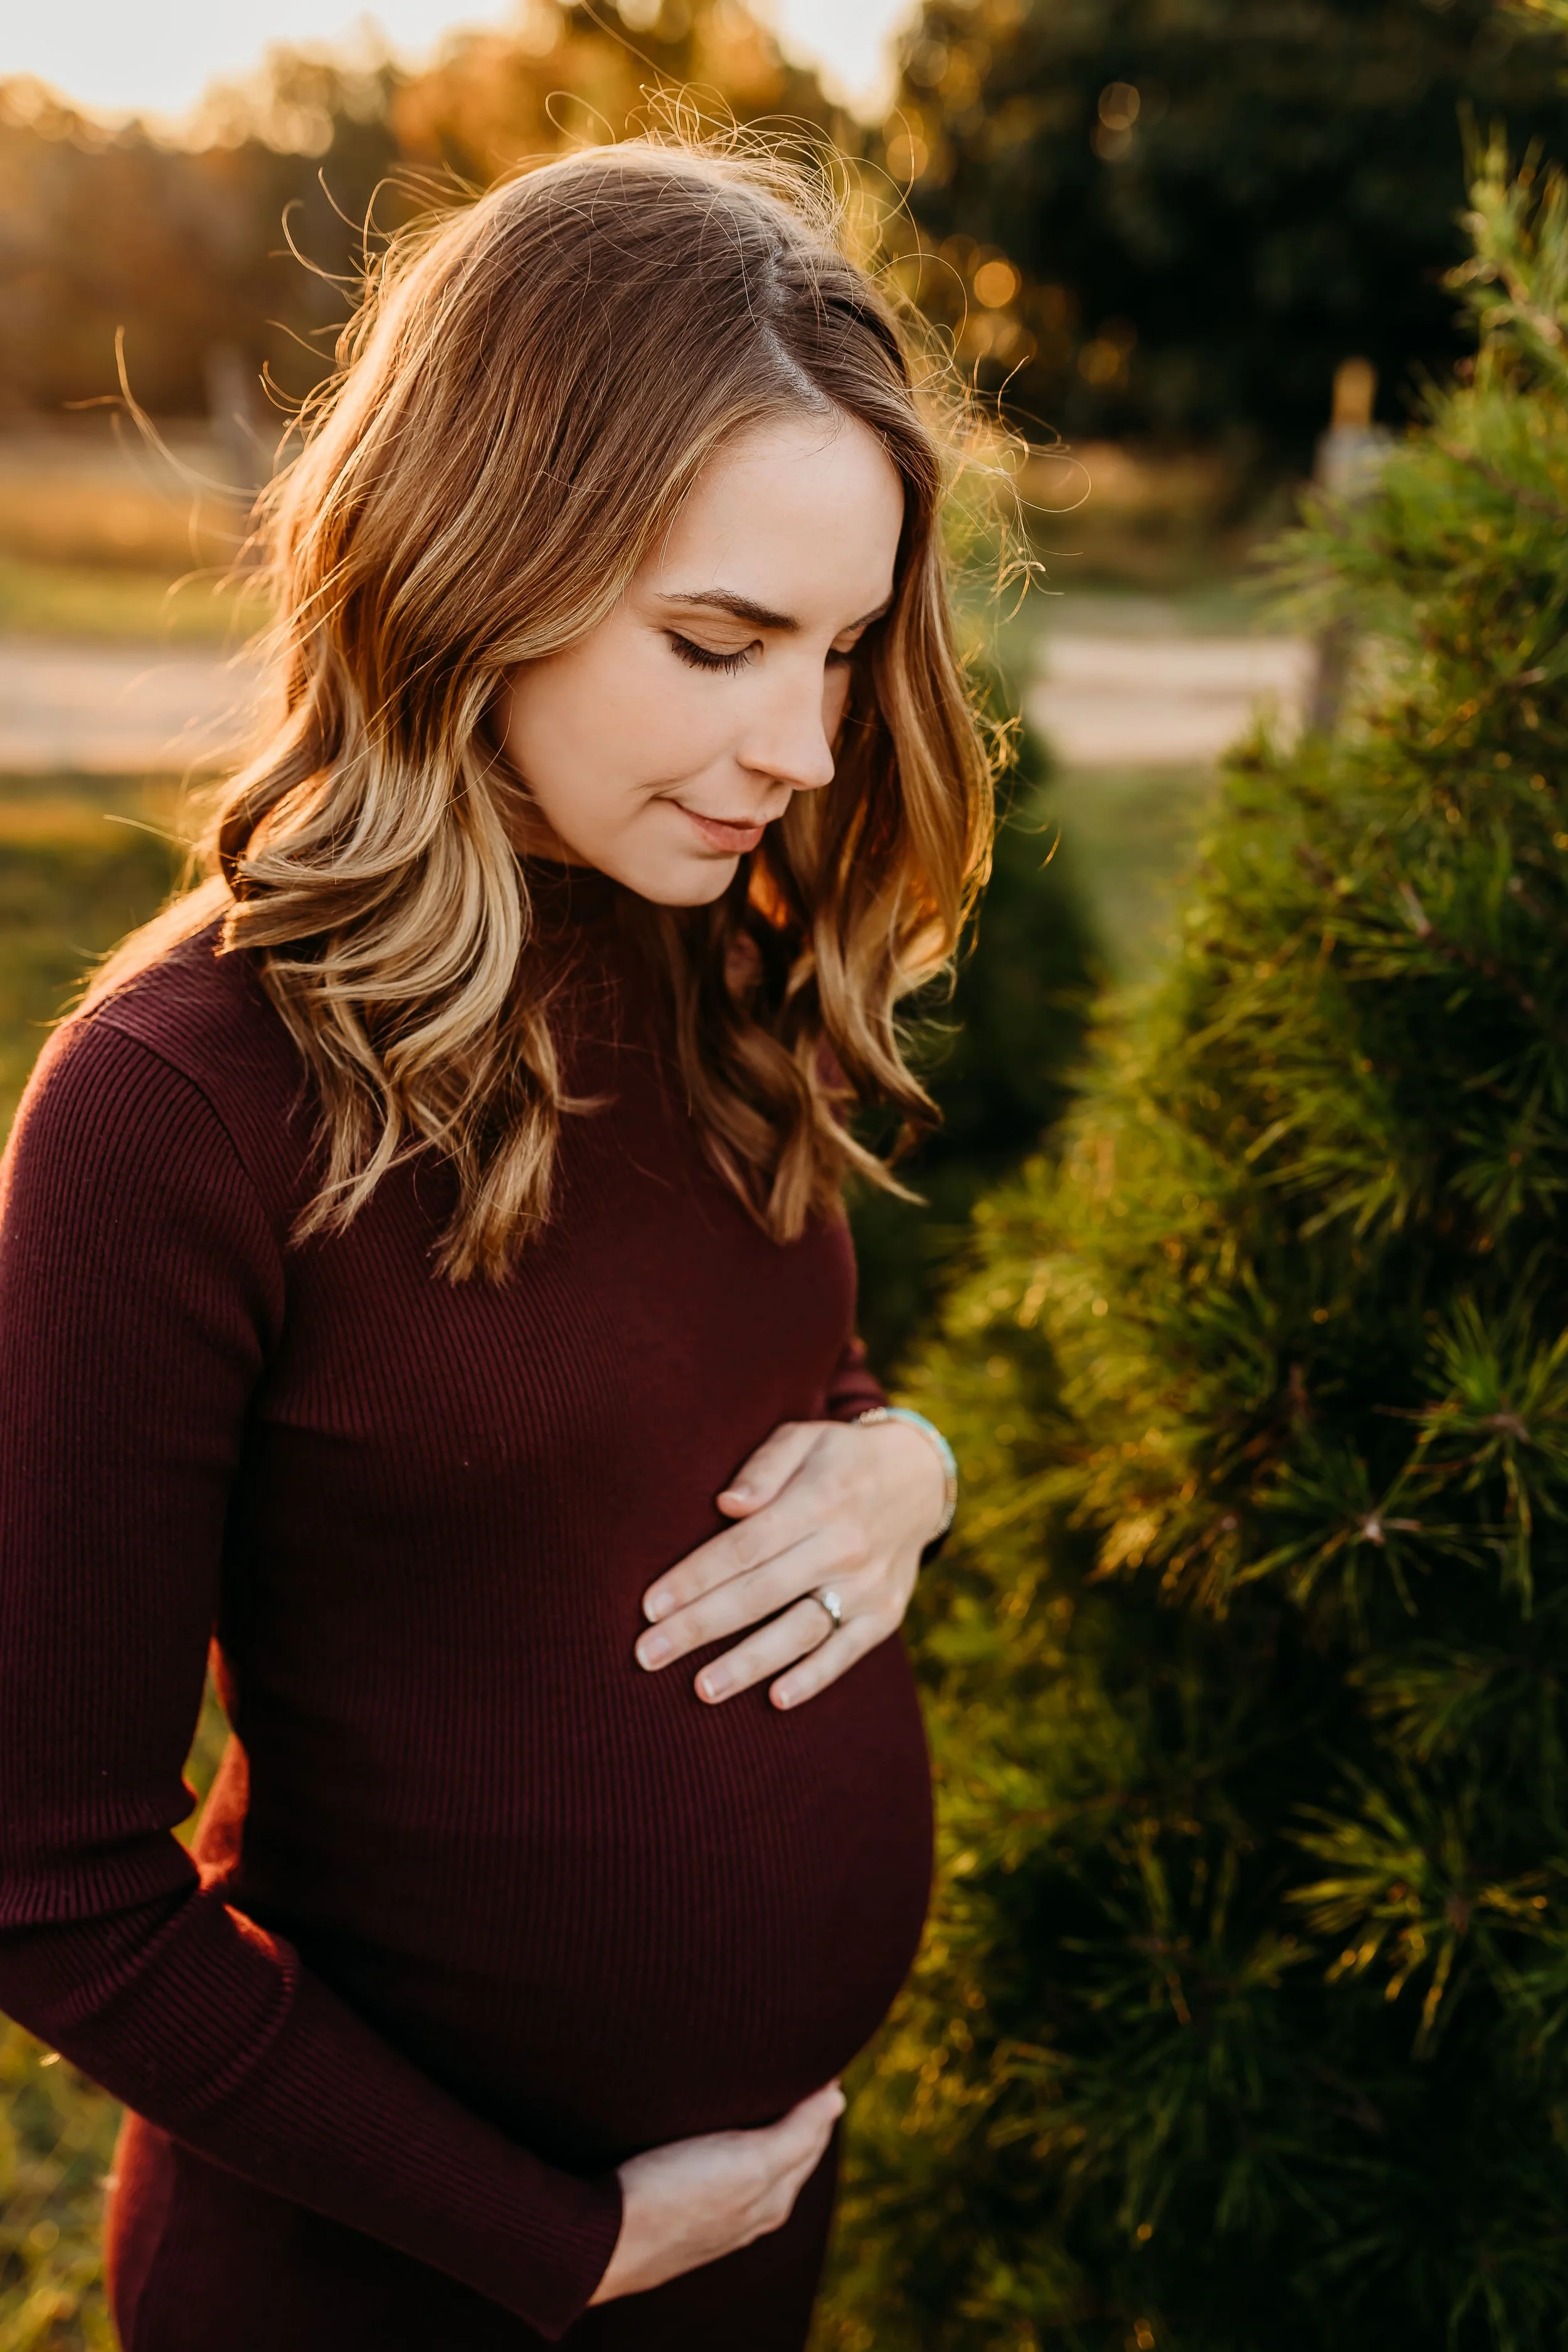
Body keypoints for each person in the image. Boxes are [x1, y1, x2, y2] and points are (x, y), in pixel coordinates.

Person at [0, 139, 992, 2349]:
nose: (802, 747)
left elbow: (705, 1403)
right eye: (718, 642)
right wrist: (557, 2243)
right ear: (471, 562)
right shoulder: (174, 1110)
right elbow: (49, 1887)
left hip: (740, 2243)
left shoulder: (710, 955)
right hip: (382, 2287)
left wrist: (901, 1460)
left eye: (838, 649)